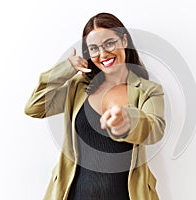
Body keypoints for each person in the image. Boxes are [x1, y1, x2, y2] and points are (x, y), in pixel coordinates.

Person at [24, 12, 166, 200]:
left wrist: (127, 120)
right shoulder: (78, 88)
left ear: (124, 41)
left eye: (109, 43)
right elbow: (35, 107)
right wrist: (66, 69)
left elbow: (155, 128)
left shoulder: (148, 90)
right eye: (93, 48)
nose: (102, 54)